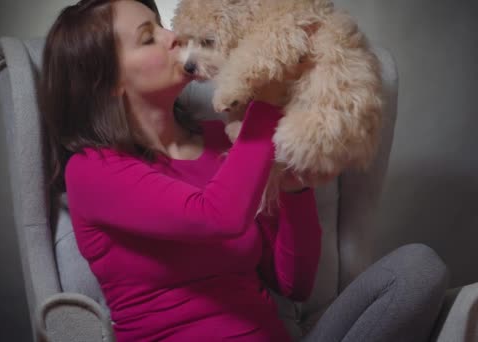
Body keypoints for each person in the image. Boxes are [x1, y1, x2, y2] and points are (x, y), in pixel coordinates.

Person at [40, 0, 449, 341]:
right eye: (149, 37)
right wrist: (267, 95)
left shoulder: (227, 139)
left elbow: (293, 285)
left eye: (164, 26)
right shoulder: (93, 171)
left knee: (418, 268)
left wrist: (293, 192)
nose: (172, 37)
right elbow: (215, 216)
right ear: (108, 82)